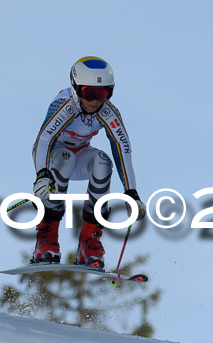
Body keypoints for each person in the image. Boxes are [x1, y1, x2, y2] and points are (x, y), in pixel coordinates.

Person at [31, 56, 146, 269]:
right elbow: (44, 139)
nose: (95, 101)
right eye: (89, 93)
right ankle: (46, 239)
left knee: (103, 162)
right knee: (65, 158)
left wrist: (132, 193)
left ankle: (89, 242)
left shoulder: (107, 111)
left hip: (81, 155)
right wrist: (42, 174)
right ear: (76, 88)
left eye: (102, 94)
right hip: (54, 157)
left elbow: (123, 148)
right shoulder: (65, 105)